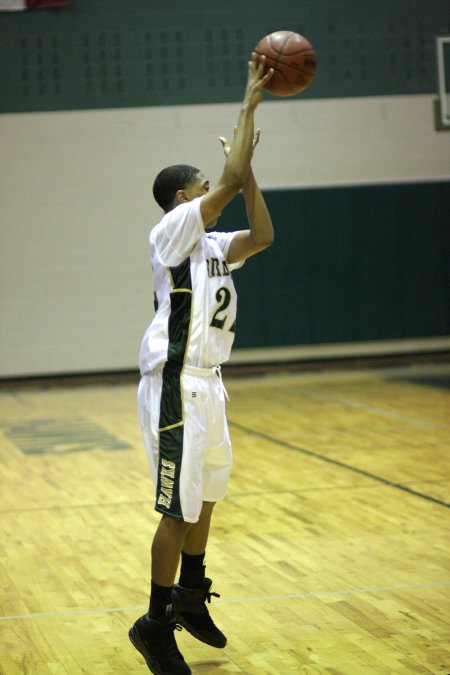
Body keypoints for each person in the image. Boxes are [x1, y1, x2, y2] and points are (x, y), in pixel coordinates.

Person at [129, 53, 274, 675]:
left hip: (211, 387)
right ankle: (154, 623)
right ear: (183, 197)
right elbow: (229, 182)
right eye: (204, 186)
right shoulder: (172, 233)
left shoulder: (213, 245)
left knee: (208, 498)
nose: (212, 190)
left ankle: (190, 593)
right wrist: (248, 103)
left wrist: (249, 175)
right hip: (173, 387)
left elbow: (262, 235)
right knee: (176, 509)